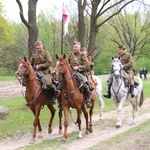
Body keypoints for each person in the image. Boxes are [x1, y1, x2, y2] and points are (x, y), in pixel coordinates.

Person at [30, 40, 56, 104]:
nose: (38, 47)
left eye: (39, 45)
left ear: (42, 46)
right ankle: (30, 98)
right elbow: (30, 64)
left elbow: (49, 63)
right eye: (37, 46)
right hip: (36, 72)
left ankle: (52, 98)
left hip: (45, 72)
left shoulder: (46, 53)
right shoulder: (34, 55)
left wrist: (40, 66)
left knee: (49, 83)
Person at [68, 41, 92, 108]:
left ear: (79, 48)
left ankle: (87, 100)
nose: (74, 48)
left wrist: (78, 67)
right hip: (71, 73)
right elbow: (67, 64)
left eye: (76, 47)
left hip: (80, 73)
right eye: (74, 47)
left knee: (85, 83)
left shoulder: (82, 55)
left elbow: (87, 65)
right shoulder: (71, 56)